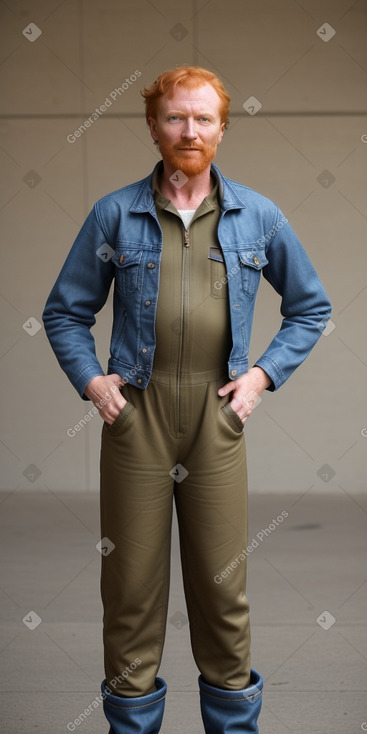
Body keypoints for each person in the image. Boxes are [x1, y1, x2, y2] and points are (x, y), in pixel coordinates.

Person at [43, 65, 331, 734]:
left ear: (222, 129)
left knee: (222, 591)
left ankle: (232, 728)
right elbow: (64, 312)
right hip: (135, 419)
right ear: (152, 126)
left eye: (203, 118)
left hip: (215, 421)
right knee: (130, 594)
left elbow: (310, 306)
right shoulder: (114, 213)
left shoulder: (258, 215)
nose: (189, 130)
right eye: (175, 117)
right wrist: (93, 380)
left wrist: (259, 377)